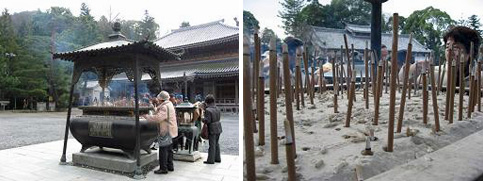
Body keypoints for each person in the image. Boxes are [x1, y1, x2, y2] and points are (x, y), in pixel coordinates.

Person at [142, 91, 178, 174]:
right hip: (171, 129)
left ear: (161, 99)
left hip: (166, 130)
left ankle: (163, 168)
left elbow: (158, 118)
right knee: (169, 149)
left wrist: (147, 116)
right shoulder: (170, 104)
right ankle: (170, 166)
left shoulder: (164, 107)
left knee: (163, 149)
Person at [202, 94, 222, 164]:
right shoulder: (217, 108)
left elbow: (208, 120)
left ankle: (210, 160)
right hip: (218, 127)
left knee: (212, 145)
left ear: (207, 102)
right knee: (216, 144)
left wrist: (203, 119)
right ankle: (217, 158)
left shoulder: (208, 110)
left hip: (212, 128)